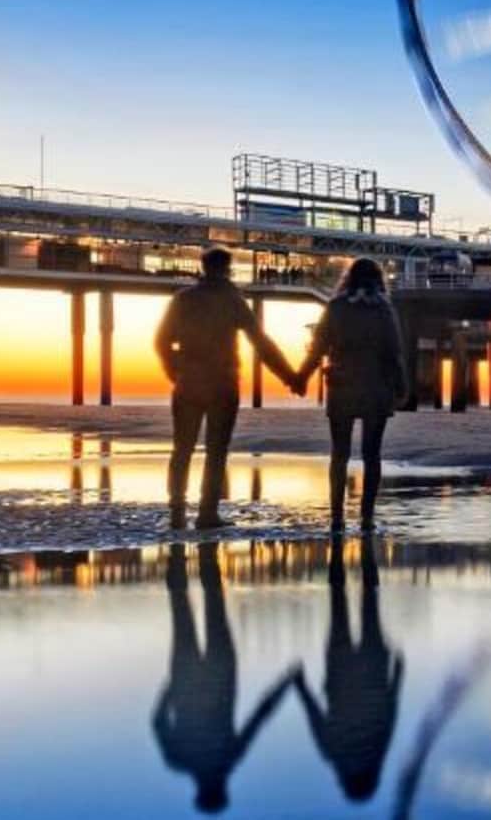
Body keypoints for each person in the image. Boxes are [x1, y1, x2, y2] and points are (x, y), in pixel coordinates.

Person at [155, 246, 300, 530]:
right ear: (227, 269)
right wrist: (289, 376)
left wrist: (176, 371)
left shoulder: (183, 299)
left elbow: (162, 340)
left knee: (181, 449)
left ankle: (176, 511)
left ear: (203, 267)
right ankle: (207, 512)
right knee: (216, 451)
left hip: (189, 384)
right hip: (222, 384)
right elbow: (261, 343)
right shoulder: (232, 300)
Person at [151, 543, 295, 813]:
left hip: (220, 673)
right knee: (181, 608)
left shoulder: (227, 757)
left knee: (213, 602)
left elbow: (260, 715)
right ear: (199, 791)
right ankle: (178, 549)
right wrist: (172, 687)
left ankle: (202, 548)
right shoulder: (178, 758)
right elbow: (158, 721)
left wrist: (287, 683)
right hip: (186, 678)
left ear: (220, 789)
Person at [298, 257, 408, 530]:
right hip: (376, 388)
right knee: (372, 455)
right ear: (378, 280)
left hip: (342, 387)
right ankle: (367, 517)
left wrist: (302, 376)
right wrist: (401, 386)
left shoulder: (336, 307)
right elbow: (394, 352)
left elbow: (318, 347)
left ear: (348, 278)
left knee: (339, 454)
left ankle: (337, 517)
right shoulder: (383, 309)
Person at [293, 544, 404, 802]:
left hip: (373, 669)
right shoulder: (334, 752)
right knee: (338, 603)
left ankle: (363, 544)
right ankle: (338, 544)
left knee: (370, 603)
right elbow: (315, 716)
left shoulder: (378, 748)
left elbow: (390, 709)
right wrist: (300, 685)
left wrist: (398, 673)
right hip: (339, 675)